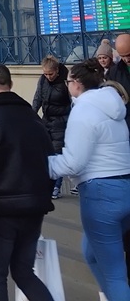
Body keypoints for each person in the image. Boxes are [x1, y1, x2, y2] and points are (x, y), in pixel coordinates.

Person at [0, 63, 55, 301]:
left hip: (0, 212)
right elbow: (50, 163)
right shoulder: (33, 118)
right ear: (11, 84)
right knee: (24, 271)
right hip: (33, 208)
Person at [49, 58, 130, 301]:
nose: (67, 85)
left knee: (114, 272)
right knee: (92, 254)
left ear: (76, 84)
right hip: (125, 186)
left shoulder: (83, 110)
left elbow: (74, 162)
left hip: (100, 195)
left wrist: (45, 164)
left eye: (68, 81)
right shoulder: (114, 106)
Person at [31, 55, 71, 199]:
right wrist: (32, 114)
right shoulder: (43, 80)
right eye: (45, 74)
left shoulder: (66, 82)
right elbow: (38, 99)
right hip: (46, 121)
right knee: (44, 153)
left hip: (61, 122)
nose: (48, 77)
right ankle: (45, 183)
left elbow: (71, 103)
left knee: (56, 154)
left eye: (51, 74)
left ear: (57, 71)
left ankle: (56, 186)